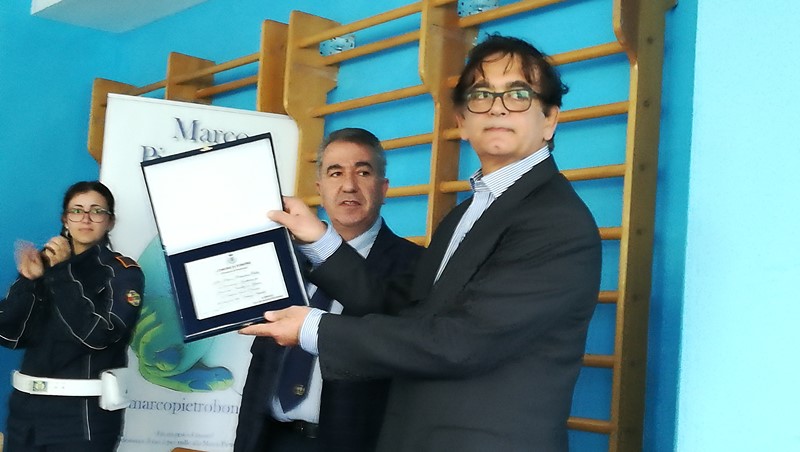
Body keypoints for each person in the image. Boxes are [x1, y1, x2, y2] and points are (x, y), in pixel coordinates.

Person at [240, 34, 603, 452]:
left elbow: (460, 343)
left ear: (550, 119)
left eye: (518, 94)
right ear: (462, 122)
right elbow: (403, 310)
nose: (498, 106)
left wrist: (312, 328)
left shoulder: (555, 222)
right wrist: (319, 239)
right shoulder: (466, 214)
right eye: (481, 95)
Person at [234, 128, 422, 452]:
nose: (348, 185)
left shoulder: (416, 264)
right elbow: (262, 368)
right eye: (336, 173)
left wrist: (323, 243)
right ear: (319, 188)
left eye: (363, 172)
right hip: (270, 439)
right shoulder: (286, 260)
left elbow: (384, 324)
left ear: (383, 188)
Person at [0, 180, 144, 451]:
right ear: (65, 219)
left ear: (110, 222)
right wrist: (29, 282)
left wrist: (62, 272)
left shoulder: (124, 272)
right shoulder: (44, 263)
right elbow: (9, 334)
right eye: (77, 210)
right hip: (24, 412)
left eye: (97, 211)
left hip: (82, 418)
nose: (86, 218)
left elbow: (99, 336)